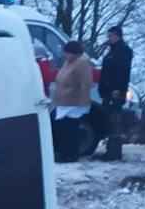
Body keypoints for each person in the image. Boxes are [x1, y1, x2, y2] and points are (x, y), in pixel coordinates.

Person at [50, 40, 93, 163]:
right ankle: (64, 153)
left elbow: (86, 84)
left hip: (73, 102)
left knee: (69, 130)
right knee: (63, 128)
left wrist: (82, 102)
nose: (65, 55)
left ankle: (69, 155)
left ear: (74, 53)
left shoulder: (82, 63)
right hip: (64, 101)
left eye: (67, 53)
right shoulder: (70, 61)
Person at [97, 25, 133, 161]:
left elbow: (123, 72)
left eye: (111, 36)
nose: (109, 38)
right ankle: (110, 150)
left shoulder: (124, 51)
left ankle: (114, 152)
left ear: (117, 36)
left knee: (115, 120)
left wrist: (118, 89)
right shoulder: (111, 51)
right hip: (107, 90)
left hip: (116, 91)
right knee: (109, 119)